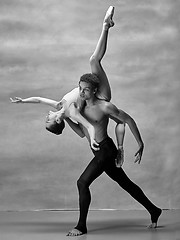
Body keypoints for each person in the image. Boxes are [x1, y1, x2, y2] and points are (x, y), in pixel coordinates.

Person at [64, 9, 162, 237]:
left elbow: (127, 120)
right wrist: (68, 117)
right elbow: (81, 133)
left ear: (95, 91)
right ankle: (154, 210)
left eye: (85, 89)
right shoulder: (81, 105)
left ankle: (81, 226)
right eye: (80, 88)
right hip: (99, 150)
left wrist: (140, 142)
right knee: (125, 183)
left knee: (82, 183)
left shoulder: (104, 106)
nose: (81, 92)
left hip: (106, 150)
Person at [10, 6, 125, 163]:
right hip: (100, 96)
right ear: (57, 121)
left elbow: (39, 99)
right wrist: (92, 140)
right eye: (48, 120)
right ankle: (106, 26)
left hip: (91, 91)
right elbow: (87, 129)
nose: (46, 116)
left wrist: (23, 101)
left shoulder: (60, 106)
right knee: (93, 60)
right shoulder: (70, 113)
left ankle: (106, 26)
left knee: (94, 60)